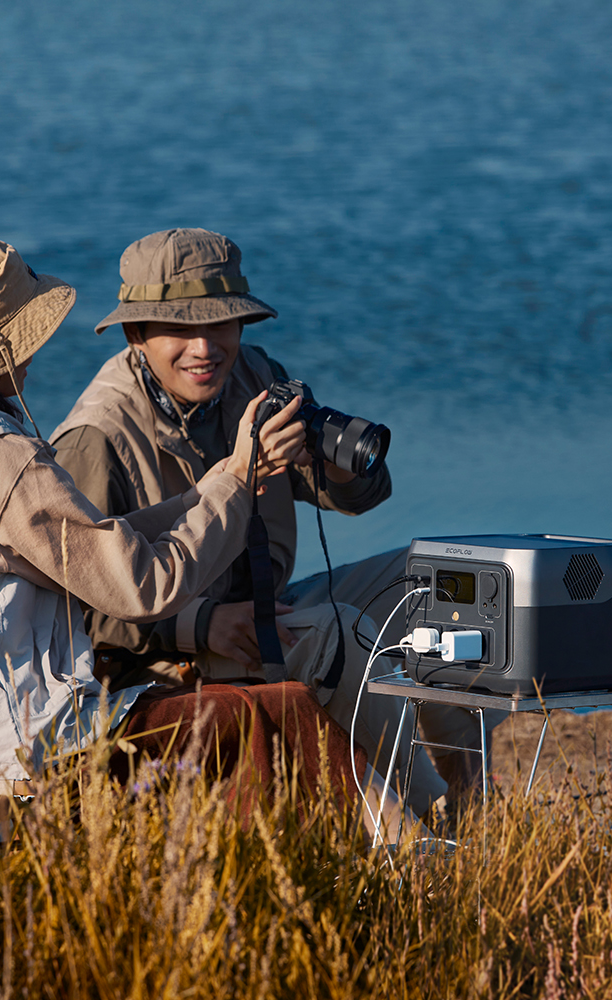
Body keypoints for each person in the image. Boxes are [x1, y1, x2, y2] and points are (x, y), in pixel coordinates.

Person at [0, 238, 393, 823]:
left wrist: (224, 475)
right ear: (18, 340)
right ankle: (411, 866)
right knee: (280, 712)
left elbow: (96, 542)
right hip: (20, 753)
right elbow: (141, 588)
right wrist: (240, 482)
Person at [50, 228, 483, 813]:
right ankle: (431, 825)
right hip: (164, 651)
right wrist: (200, 624)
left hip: (264, 606)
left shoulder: (254, 377)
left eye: (220, 324)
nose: (204, 348)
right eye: (181, 329)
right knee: (338, 629)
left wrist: (337, 464)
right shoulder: (96, 438)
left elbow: (360, 499)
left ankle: (471, 797)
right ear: (137, 334)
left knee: (440, 583)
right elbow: (74, 609)